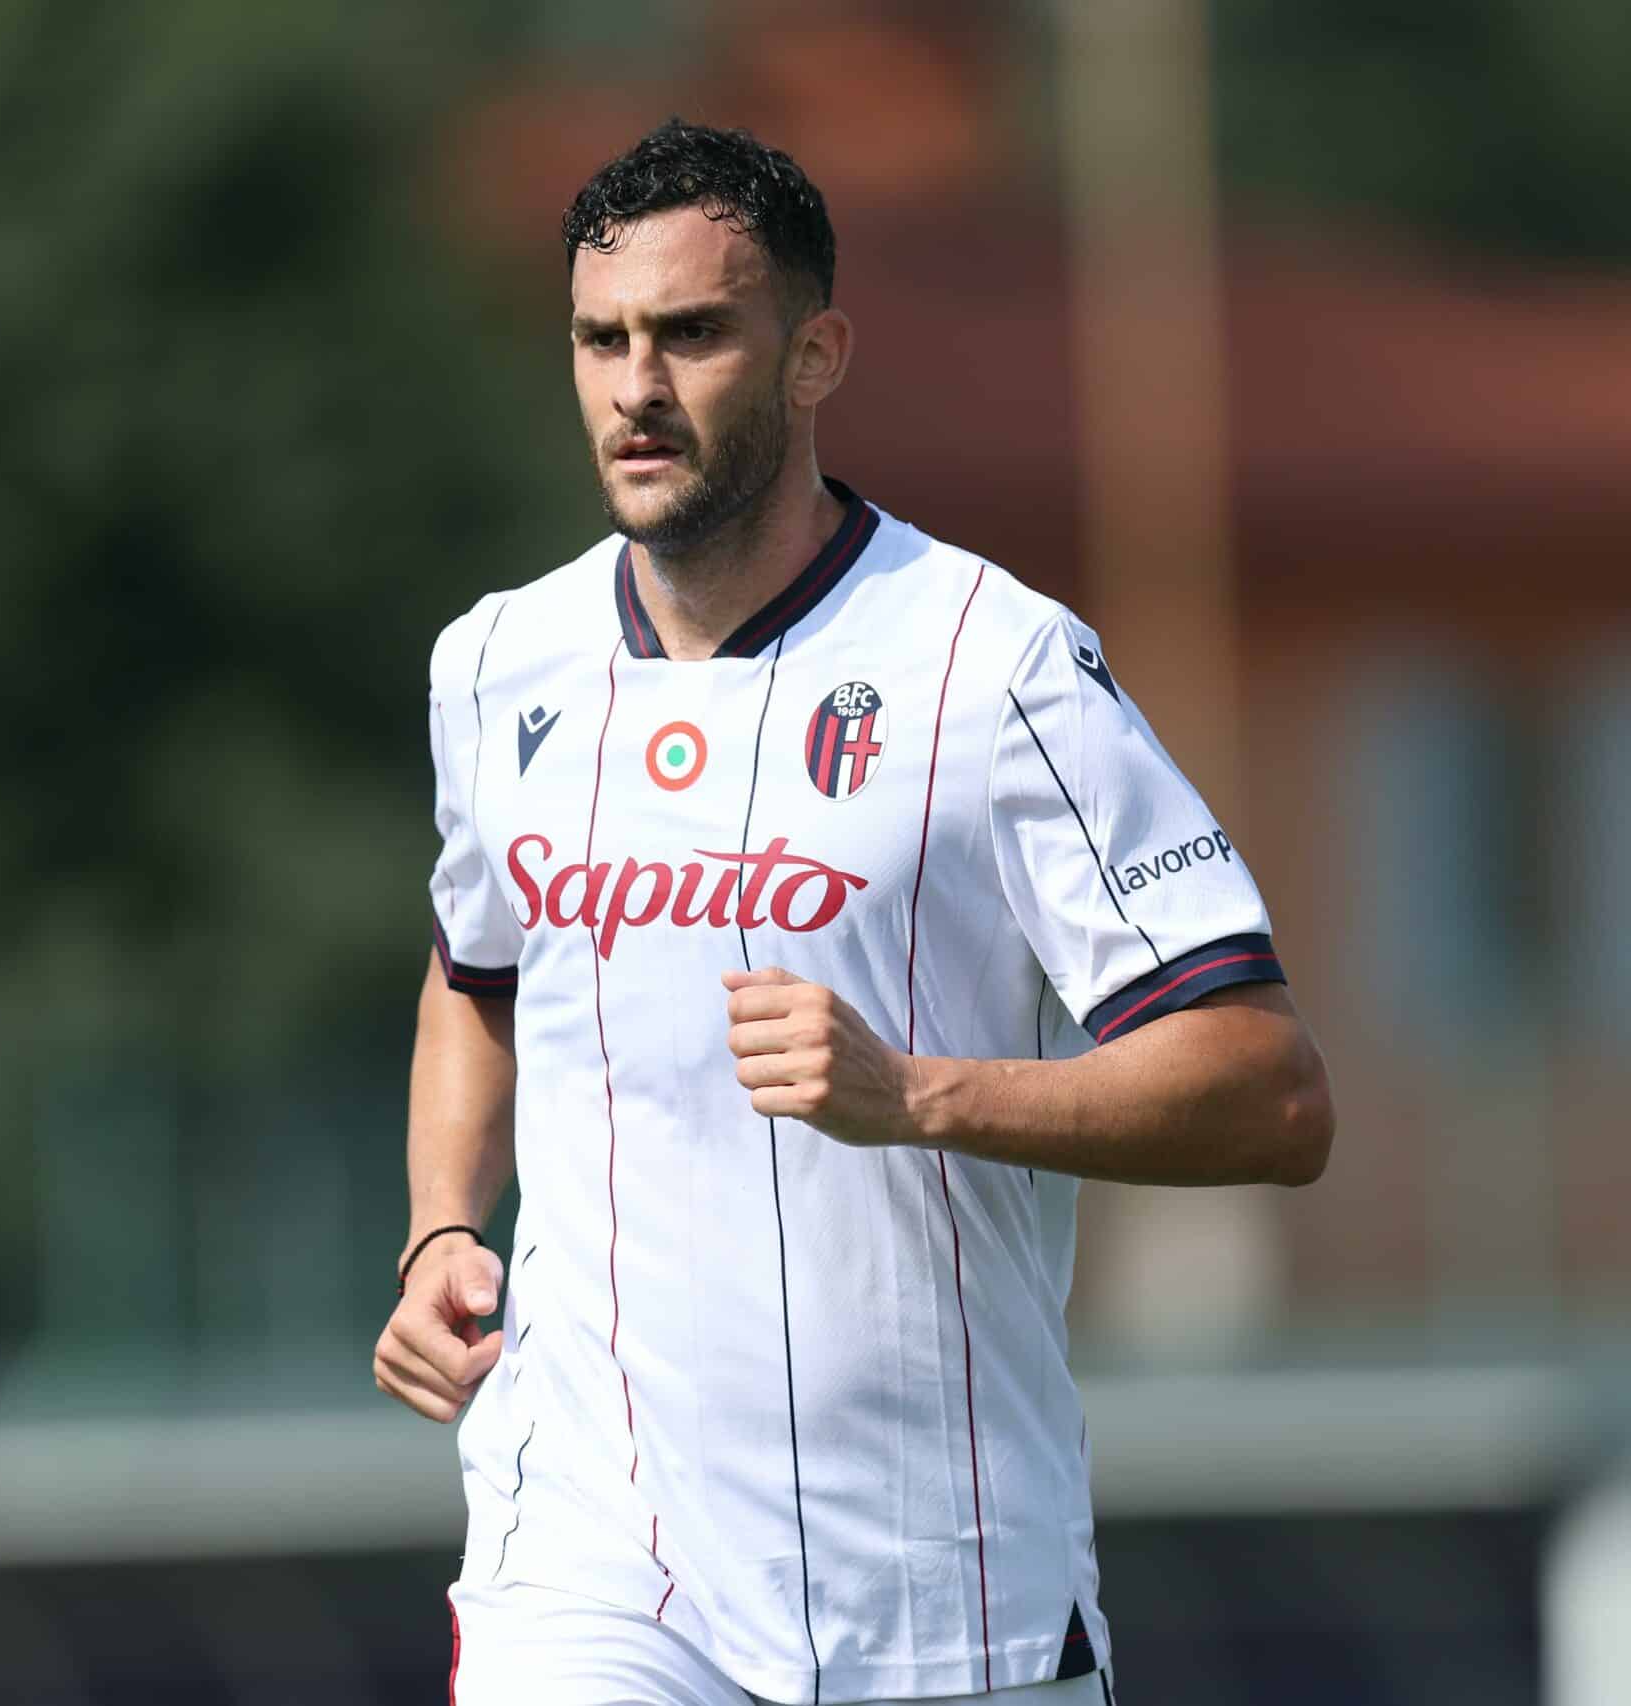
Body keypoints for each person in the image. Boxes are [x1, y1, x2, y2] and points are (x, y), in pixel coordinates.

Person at [374, 118, 1334, 1706]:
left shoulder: (995, 662)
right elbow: (478, 973)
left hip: (937, 1591)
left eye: (692, 334)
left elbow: (1271, 1086)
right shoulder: (494, 665)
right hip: (590, 1558)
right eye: (601, 340)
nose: (636, 388)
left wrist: (920, 1094)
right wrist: (436, 1231)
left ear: (815, 354)